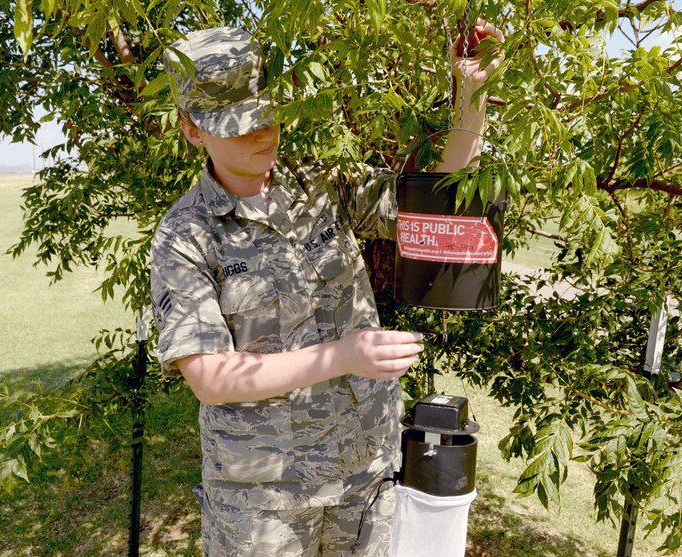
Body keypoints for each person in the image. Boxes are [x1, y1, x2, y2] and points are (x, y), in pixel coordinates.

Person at [151, 20, 503, 557]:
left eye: (266, 116)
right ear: (192, 130)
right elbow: (210, 377)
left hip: (364, 474)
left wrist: (471, 94)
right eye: (237, 125)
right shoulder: (186, 233)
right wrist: (343, 355)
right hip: (262, 499)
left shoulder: (321, 186)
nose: (261, 134)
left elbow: (437, 202)